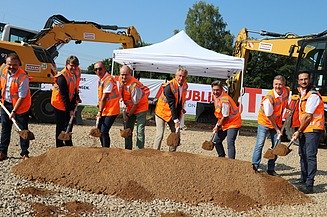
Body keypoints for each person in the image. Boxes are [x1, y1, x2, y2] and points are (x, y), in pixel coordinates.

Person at [291, 71, 324, 194]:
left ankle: (309, 185)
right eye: (301, 79)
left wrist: (298, 131)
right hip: (305, 129)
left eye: (306, 79)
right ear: (298, 81)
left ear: (309, 80)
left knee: (310, 156)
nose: (303, 81)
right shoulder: (303, 95)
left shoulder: (313, 95)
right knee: (302, 154)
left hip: (312, 129)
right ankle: (303, 179)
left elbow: (308, 116)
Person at [252, 75, 290, 175]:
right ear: (273, 85)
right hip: (265, 122)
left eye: (280, 84)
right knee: (260, 144)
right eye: (276, 84)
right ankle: (255, 166)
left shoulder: (287, 90)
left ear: (284, 85)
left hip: (276, 122)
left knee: (276, 146)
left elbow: (286, 102)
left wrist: (288, 109)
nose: (278, 86)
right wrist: (277, 129)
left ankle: (270, 169)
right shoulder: (269, 99)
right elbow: (269, 116)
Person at [0, 53, 31, 160]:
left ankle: (24, 153)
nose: (12, 67)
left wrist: (14, 111)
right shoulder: (3, 70)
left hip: (21, 106)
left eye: (15, 64)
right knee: (5, 128)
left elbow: (22, 97)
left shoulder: (23, 77)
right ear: (6, 63)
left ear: (19, 64)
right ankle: (3, 152)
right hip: (6, 104)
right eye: (10, 64)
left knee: (23, 130)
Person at [153, 66, 188, 152]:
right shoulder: (169, 87)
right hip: (161, 112)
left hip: (172, 113)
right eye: (179, 76)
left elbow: (179, 101)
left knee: (176, 134)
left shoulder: (185, 86)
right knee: (160, 134)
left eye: (183, 76)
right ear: (175, 76)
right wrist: (176, 121)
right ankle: (154, 153)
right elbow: (172, 104)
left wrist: (180, 113)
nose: (181, 78)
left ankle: (171, 154)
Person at [51, 55, 79, 147]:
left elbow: (73, 90)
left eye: (75, 66)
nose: (74, 68)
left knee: (69, 126)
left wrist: (76, 97)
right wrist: (70, 110)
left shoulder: (73, 75)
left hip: (67, 103)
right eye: (72, 65)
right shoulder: (62, 77)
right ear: (67, 65)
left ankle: (68, 144)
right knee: (61, 126)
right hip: (59, 104)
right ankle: (59, 146)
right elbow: (64, 95)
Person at [119, 65, 149, 150]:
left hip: (141, 107)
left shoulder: (134, 86)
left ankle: (140, 150)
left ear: (130, 74)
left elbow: (136, 104)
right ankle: (128, 150)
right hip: (130, 107)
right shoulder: (120, 80)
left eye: (126, 74)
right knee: (128, 129)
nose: (123, 77)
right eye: (122, 74)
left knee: (140, 130)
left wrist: (128, 116)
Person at [211, 80, 242, 159]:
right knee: (216, 141)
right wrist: (217, 125)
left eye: (217, 90)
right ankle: (222, 157)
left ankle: (231, 163)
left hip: (233, 123)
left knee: (230, 142)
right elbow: (220, 115)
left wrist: (218, 126)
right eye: (214, 90)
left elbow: (225, 116)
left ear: (221, 89)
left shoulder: (224, 99)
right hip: (225, 123)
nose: (215, 92)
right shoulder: (216, 97)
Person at [94, 61, 120, 148]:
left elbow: (104, 98)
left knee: (104, 131)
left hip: (112, 109)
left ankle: (106, 150)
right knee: (101, 131)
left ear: (104, 69)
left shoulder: (108, 80)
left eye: (100, 69)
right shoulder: (102, 80)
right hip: (106, 109)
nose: (98, 71)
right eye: (96, 69)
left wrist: (99, 112)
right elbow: (102, 98)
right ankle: (103, 148)